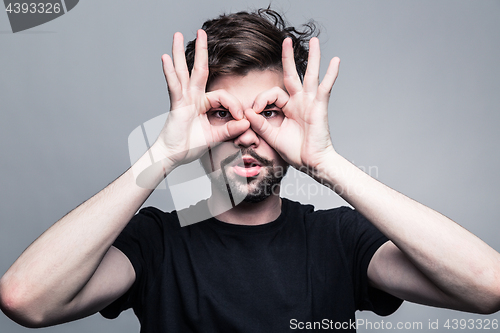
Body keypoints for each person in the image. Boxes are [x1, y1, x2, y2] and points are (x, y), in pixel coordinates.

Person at [0, 8, 499, 332]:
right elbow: (26, 300)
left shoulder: (339, 240)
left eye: (269, 113)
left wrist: (327, 163)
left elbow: (487, 287)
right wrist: (164, 155)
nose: (246, 133)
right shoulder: (156, 244)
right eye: (221, 114)